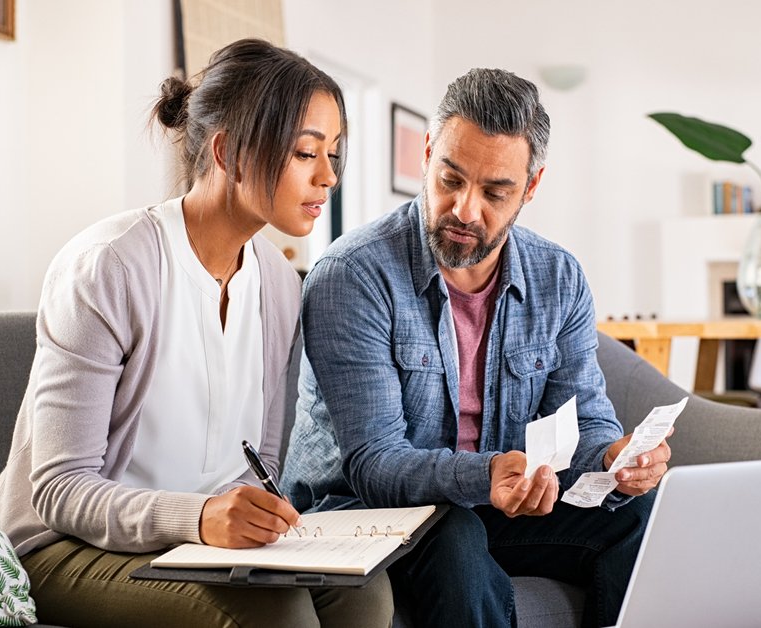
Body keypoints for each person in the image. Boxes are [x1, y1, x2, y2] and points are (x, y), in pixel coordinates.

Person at [0, 39, 392, 628]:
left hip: (196, 546)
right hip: (62, 548)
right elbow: (60, 488)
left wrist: (258, 518)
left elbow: (262, 459)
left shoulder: (281, 285)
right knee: (275, 614)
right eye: (307, 153)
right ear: (227, 151)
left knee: (366, 593)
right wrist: (198, 519)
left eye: (334, 153)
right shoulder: (109, 268)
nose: (328, 176)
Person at [282, 68, 672, 628]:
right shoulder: (353, 275)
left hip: (492, 501)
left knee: (637, 514)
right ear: (427, 154)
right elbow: (374, 464)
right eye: (451, 179)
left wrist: (614, 460)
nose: (465, 210)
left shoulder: (558, 277)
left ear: (531, 188)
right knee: (456, 533)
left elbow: (585, 417)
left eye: (495, 192)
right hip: (358, 511)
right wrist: (488, 475)